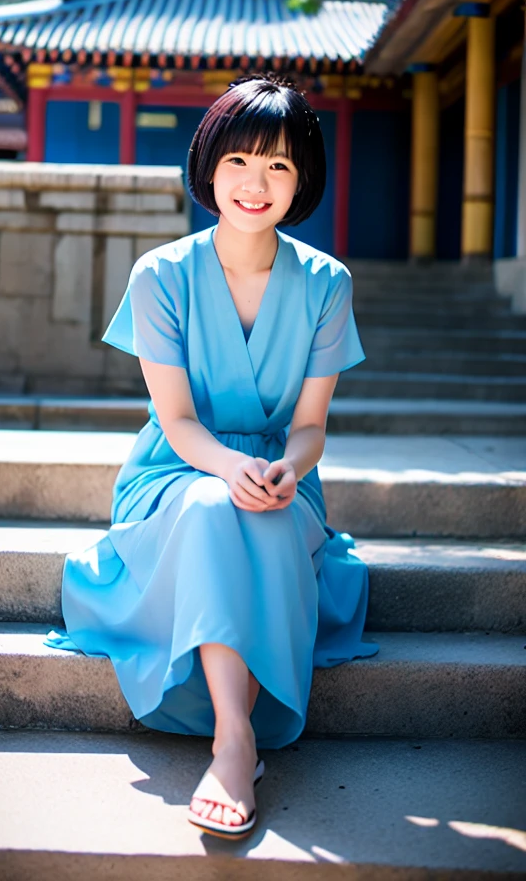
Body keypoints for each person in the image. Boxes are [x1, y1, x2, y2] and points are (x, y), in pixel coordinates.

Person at [45, 71, 379, 840]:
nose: (255, 183)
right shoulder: (161, 274)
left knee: (260, 510)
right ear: (210, 165)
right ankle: (236, 739)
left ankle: (235, 741)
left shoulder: (328, 284)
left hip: (281, 474)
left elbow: (311, 426)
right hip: (177, 471)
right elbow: (180, 419)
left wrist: (288, 471)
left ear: (303, 181)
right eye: (238, 161)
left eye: (279, 165)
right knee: (211, 504)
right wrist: (231, 470)